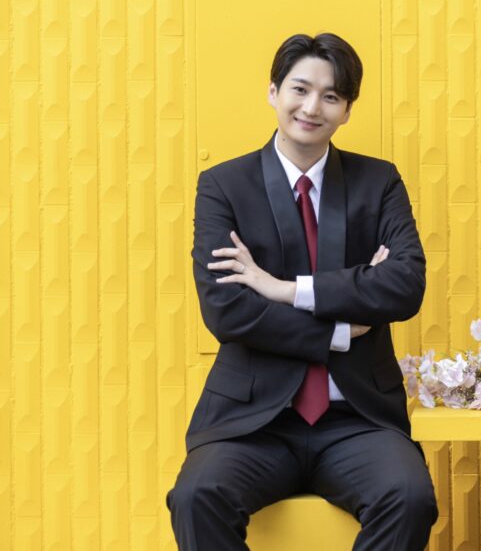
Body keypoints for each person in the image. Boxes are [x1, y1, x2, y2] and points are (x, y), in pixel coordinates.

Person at [167, 33, 437, 550]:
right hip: (252, 423)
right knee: (197, 497)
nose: (312, 108)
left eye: (331, 96)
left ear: (347, 110)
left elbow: (404, 286)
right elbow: (227, 310)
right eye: (300, 89)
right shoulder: (224, 186)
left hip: (357, 420)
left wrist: (284, 289)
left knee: (409, 498)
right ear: (273, 92)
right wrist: (341, 329)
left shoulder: (378, 182)